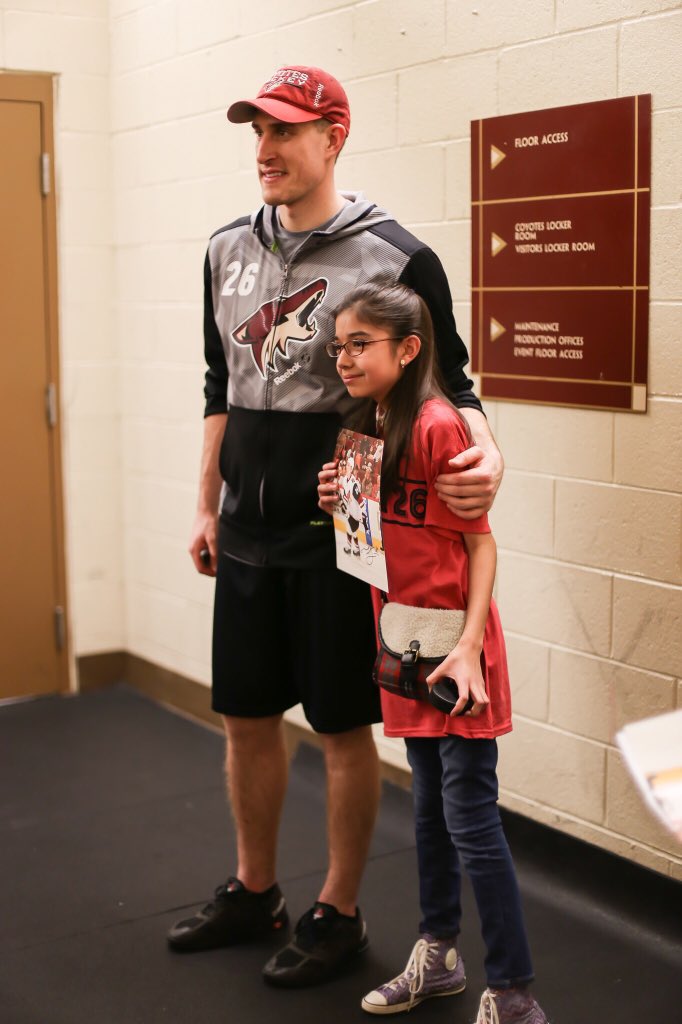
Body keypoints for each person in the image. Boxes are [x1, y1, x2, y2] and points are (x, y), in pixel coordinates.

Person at [168, 64, 504, 989]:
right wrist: (204, 502)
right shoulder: (224, 248)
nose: (266, 148)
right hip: (246, 518)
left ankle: (340, 912)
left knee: (342, 722)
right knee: (244, 715)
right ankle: (255, 890)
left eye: (284, 130)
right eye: (258, 132)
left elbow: (455, 383)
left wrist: (488, 456)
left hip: (347, 514)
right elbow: (219, 387)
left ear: (333, 137)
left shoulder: (397, 254)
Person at [317, 278, 549, 1024]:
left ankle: (513, 993)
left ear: (409, 348)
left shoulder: (439, 424)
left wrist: (471, 647)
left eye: (360, 344)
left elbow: (481, 546)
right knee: (427, 814)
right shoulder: (364, 427)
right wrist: (340, 510)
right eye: (338, 345)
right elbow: (367, 554)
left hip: (458, 653)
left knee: (470, 819)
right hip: (405, 646)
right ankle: (440, 955)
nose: (344, 358)